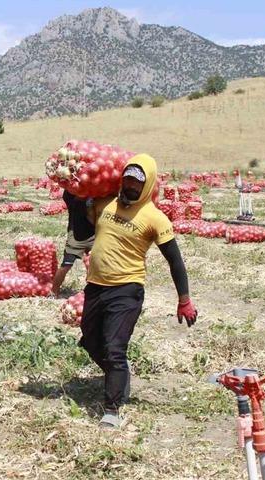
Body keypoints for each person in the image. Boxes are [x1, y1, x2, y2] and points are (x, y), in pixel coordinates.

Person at [80, 154, 198, 429]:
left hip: (126, 289)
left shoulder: (155, 218)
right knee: (89, 339)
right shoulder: (105, 203)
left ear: (147, 186)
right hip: (95, 286)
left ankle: (112, 408)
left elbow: (175, 260)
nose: (131, 186)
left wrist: (184, 299)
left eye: (137, 182)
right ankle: (117, 374)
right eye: (128, 179)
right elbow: (80, 210)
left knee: (114, 347)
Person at [51, 190, 95, 295]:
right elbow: (69, 195)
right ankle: (53, 292)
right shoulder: (70, 193)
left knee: (95, 264)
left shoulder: (95, 191)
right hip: (76, 235)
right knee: (66, 264)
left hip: (94, 234)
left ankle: (93, 291)